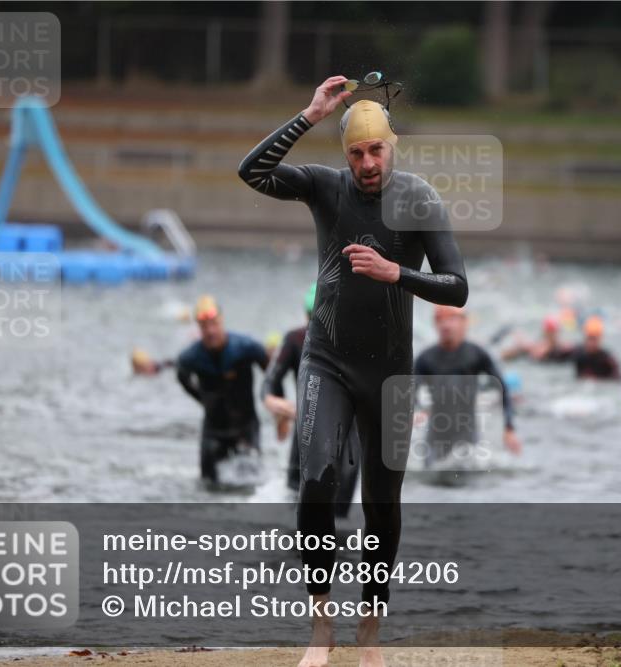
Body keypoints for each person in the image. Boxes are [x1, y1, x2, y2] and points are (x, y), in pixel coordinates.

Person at [238, 76, 467, 667]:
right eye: (357, 153)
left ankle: (370, 625)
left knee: (381, 503)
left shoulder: (419, 200)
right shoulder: (325, 187)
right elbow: (252, 172)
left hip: (390, 373)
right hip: (328, 360)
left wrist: (398, 274)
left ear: (393, 146)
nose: (367, 163)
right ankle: (321, 625)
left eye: (377, 150)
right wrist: (309, 115)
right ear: (345, 155)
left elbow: (457, 287)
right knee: (315, 480)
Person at [263, 284, 360, 517]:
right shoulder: (296, 339)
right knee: (294, 507)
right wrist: (275, 405)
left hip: (348, 436)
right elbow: (270, 382)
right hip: (306, 430)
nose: (316, 325)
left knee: (340, 517)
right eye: (312, 317)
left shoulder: (356, 340)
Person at [176, 295, 269, 483]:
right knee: (207, 484)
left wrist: (272, 399)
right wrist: (203, 399)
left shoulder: (246, 347)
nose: (210, 331)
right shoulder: (191, 357)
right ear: (199, 328)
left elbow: (272, 372)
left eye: (214, 324)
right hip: (214, 430)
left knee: (253, 482)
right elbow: (182, 378)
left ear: (222, 321)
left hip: (245, 427)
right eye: (204, 327)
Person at [414, 305, 521, 465]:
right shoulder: (425, 359)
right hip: (435, 437)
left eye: (451, 319)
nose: (445, 325)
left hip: (467, 436)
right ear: (435, 324)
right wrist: (417, 411)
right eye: (440, 320)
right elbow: (409, 392)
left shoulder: (477, 354)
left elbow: (503, 389)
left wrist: (509, 428)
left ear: (464, 323)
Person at [500, 314, 575, 362]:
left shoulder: (563, 346)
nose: (552, 335)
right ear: (545, 332)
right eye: (550, 332)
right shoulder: (538, 346)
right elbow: (534, 353)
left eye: (553, 332)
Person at [572, 316, 621, 380]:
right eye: (589, 338)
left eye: (594, 339)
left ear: (599, 340)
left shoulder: (606, 359)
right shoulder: (578, 353)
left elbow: (619, 377)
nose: (591, 343)